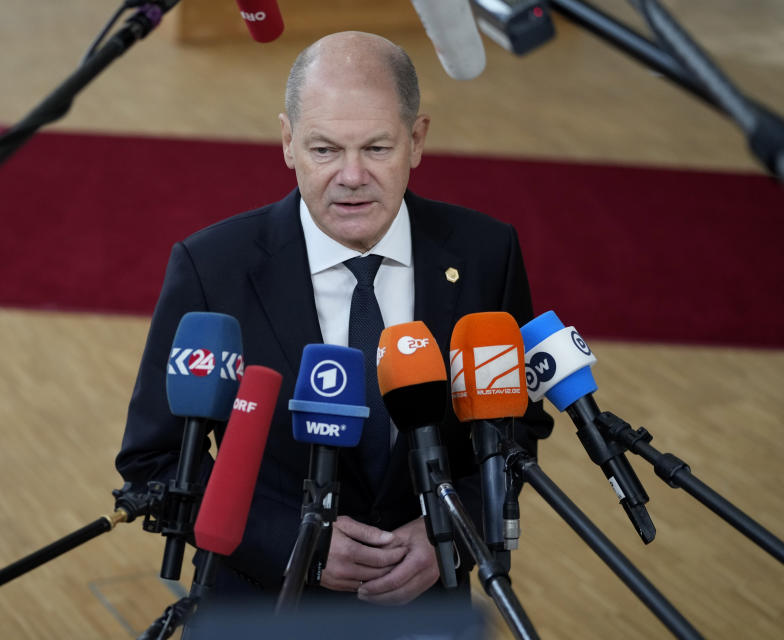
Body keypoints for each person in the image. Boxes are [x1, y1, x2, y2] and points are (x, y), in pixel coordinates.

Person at [116, 31, 552, 608]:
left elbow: (513, 430)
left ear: (417, 140)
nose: (351, 176)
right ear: (288, 142)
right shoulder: (212, 268)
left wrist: (453, 532)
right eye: (324, 150)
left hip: (424, 606)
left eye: (376, 148)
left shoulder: (484, 255)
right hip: (260, 606)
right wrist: (296, 544)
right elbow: (155, 463)